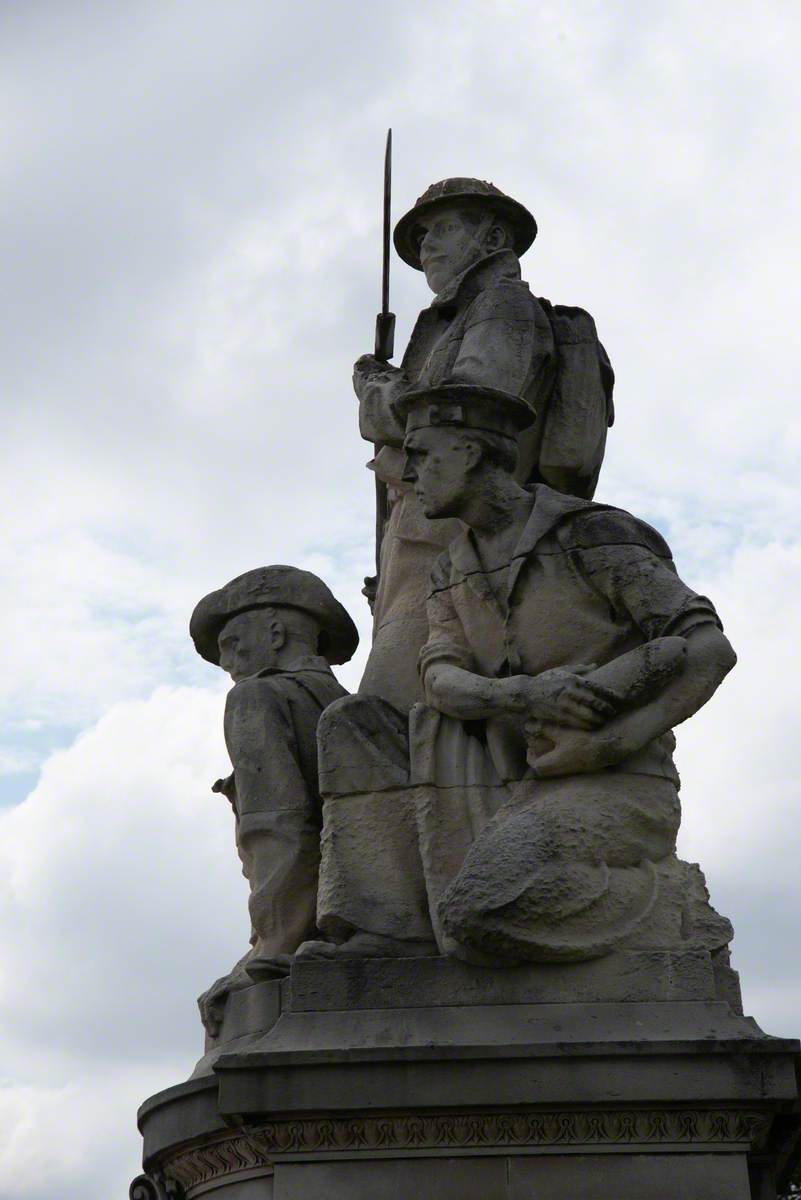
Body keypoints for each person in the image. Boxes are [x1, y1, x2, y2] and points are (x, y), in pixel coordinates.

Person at [306, 383, 735, 965]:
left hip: (608, 784)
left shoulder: (592, 533)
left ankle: (669, 904)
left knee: (476, 913)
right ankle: (387, 927)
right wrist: (526, 694)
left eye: (424, 453)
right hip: (495, 775)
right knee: (351, 722)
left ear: (471, 451)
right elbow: (440, 678)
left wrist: (612, 741)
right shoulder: (448, 568)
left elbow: (707, 647)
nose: (410, 470)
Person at [356, 177, 614, 712]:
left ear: (493, 239)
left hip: (453, 526)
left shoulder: (500, 306)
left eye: (445, 228)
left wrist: (377, 394)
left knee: (384, 707)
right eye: (423, 233)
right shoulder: (462, 315)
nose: (427, 244)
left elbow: (470, 411)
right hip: (431, 527)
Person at [189, 565, 357, 1034]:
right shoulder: (349, 704)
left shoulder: (256, 698)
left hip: (298, 946)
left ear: (276, 633)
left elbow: (278, 830)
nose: (228, 663)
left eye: (231, 644)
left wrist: (269, 950)